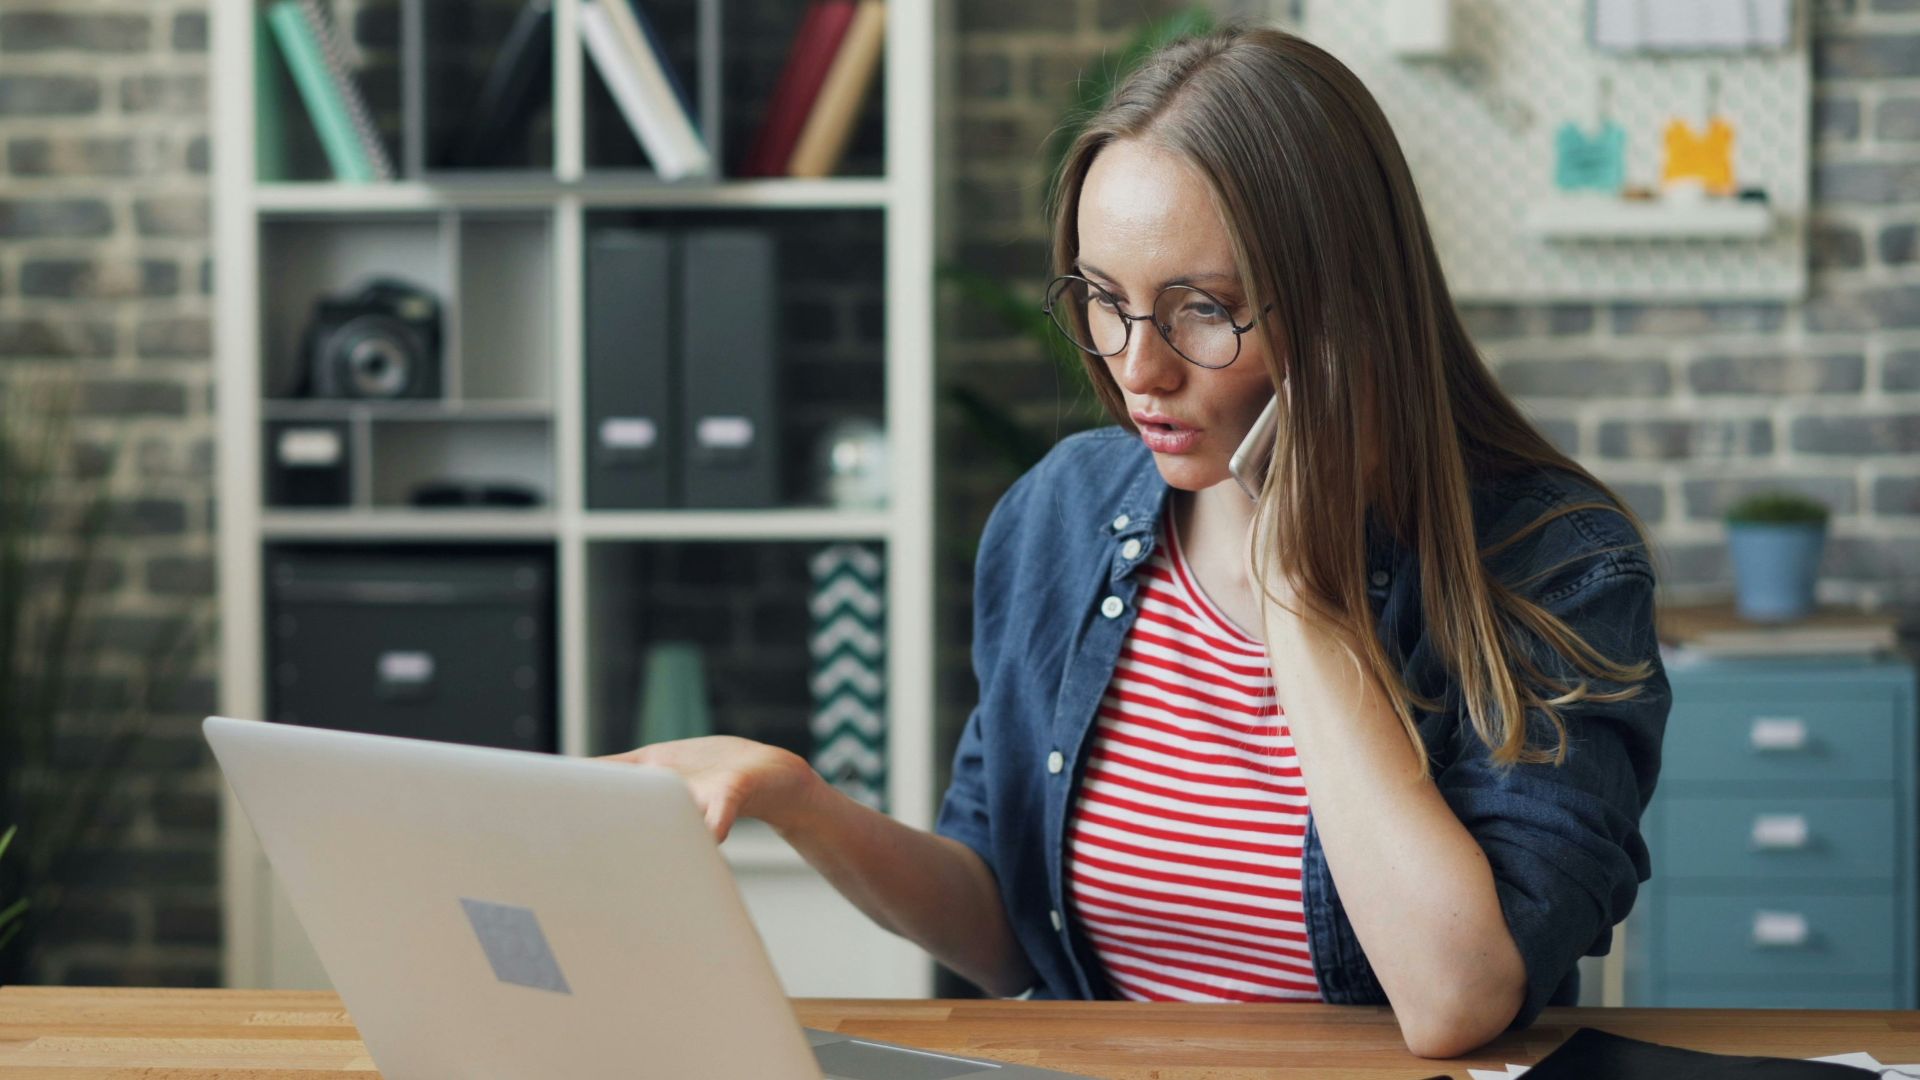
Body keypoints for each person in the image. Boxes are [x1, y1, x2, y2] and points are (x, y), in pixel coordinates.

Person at [602, 26, 1668, 1059]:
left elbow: (1457, 999)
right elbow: (1002, 928)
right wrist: (800, 798)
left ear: (1347, 309)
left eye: (1201, 309)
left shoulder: (1550, 562)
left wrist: (1298, 596)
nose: (1136, 369)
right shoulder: (1061, 512)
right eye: (1103, 302)